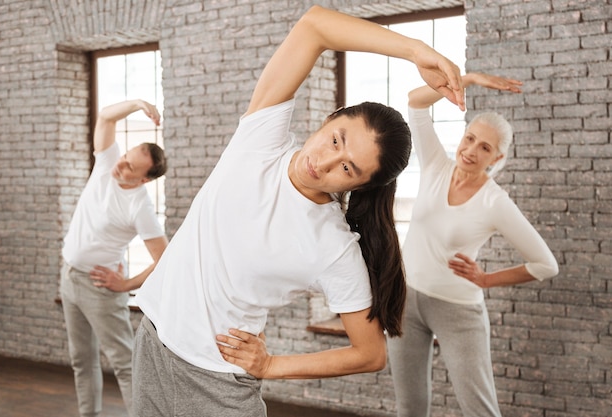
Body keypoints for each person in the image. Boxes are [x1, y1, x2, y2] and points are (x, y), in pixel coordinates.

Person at [132, 5, 464, 417]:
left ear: (358, 185)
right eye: (336, 140)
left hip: (217, 385)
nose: (324, 163)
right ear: (329, 119)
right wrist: (414, 50)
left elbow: (370, 353)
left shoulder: (333, 246)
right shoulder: (261, 140)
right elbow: (315, 25)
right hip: (152, 344)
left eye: (347, 168)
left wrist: (272, 366)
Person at [386, 73, 559, 417]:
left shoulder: (495, 202)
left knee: (479, 410)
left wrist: (486, 279)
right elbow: (415, 102)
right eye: (470, 139)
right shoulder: (436, 165)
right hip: (405, 299)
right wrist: (468, 80)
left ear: (496, 158)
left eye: (485, 148)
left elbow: (545, 264)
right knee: (409, 408)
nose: (471, 150)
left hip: (457, 311)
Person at [59, 99, 169, 417]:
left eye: (130, 167)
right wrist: (137, 104)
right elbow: (106, 116)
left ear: (145, 179)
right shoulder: (107, 163)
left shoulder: (140, 207)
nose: (120, 166)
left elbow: (164, 258)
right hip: (68, 277)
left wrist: (125, 285)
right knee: (81, 360)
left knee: (125, 364)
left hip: (99, 289)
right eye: (125, 157)